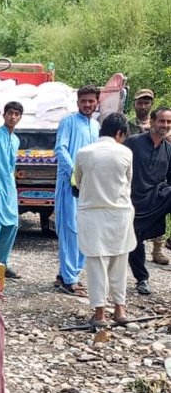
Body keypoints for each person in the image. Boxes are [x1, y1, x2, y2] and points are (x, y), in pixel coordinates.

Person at [74, 113, 135, 329]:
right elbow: (128, 181)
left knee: (97, 264)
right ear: (120, 133)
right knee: (119, 262)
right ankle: (120, 309)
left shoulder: (83, 153)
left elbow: (79, 182)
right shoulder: (126, 152)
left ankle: (100, 313)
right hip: (120, 214)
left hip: (92, 214)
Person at [54, 85, 100, 294]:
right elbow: (60, 148)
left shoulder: (95, 126)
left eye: (91, 101)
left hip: (88, 186)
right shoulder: (69, 122)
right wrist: (74, 173)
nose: (88, 105)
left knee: (83, 229)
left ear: (96, 102)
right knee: (69, 230)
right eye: (84, 101)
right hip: (69, 184)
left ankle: (68, 273)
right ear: (78, 102)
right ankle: (69, 279)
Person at [127, 107, 171, 295]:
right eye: (162, 121)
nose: (165, 125)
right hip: (133, 200)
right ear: (152, 122)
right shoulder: (134, 143)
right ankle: (142, 279)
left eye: (169, 122)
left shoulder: (169, 149)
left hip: (156, 198)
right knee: (134, 242)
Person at [130, 88, 169, 263]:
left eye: (147, 103)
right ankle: (141, 278)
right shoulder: (130, 132)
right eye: (141, 103)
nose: (144, 106)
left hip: (155, 196)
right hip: (133, 194)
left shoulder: (167, 144)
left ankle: (159, 248)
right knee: (134, 238)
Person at [0, 100, 22, 278]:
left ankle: (3, 263)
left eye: (16, 114)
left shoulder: (16, 140)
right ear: (4, 114)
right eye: (10, 113)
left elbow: (12, 167)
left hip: (9, 188)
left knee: (13, 225)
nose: (13, 117)